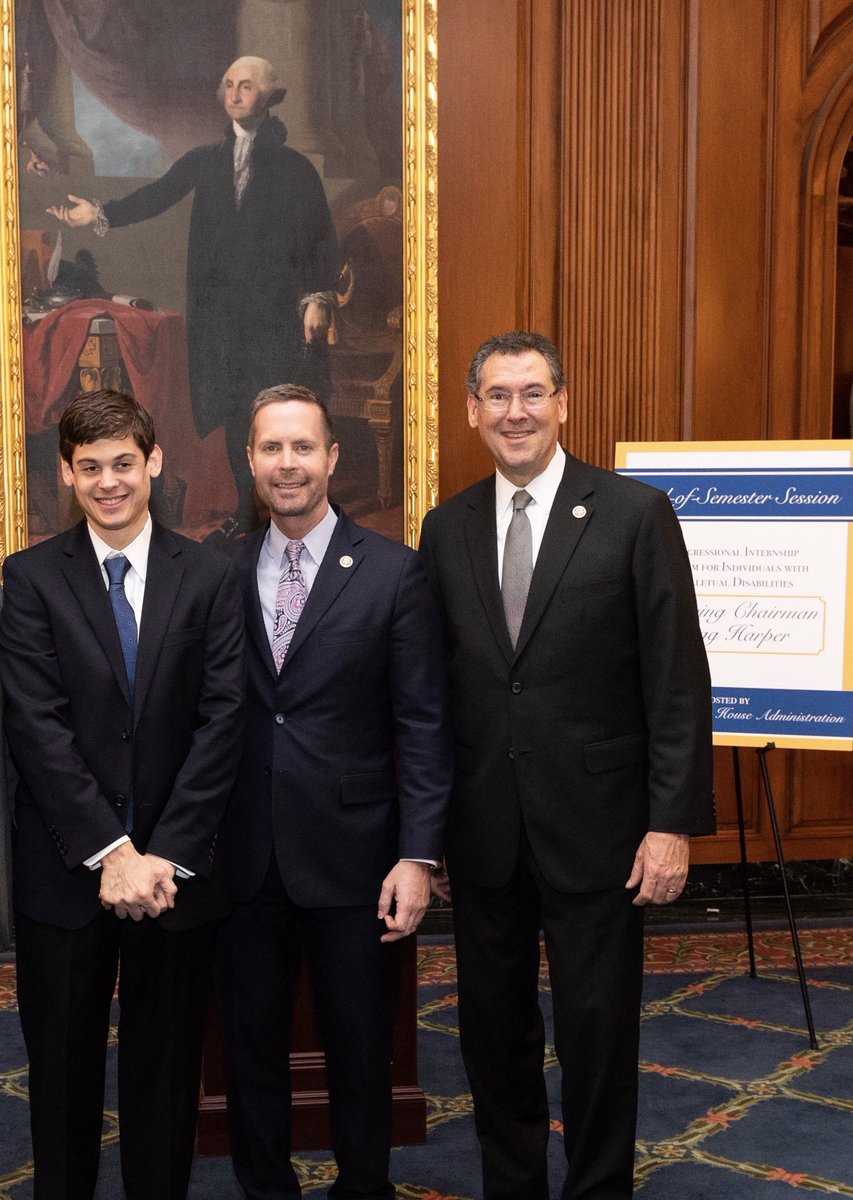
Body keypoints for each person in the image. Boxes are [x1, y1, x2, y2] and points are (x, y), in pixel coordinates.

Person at [418, 331, 716, 1200]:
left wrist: (670, 826)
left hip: (602, 831)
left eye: (533, 393)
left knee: (595, 1033)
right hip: (483, 836)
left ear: (563, 404)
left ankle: (596, 1190)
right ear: (473, 411)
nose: (516, 412)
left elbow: (675, 681)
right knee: (492, 1035)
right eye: (498, 396)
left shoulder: (631, 513)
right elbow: (435, 696)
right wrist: (428, 832)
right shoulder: (447, 527)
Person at [0, 389, 245, 1199]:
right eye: (90, 468)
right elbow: (37, 729)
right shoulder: (29, 579)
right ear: (67, 474)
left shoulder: (209, 575)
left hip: (175, 876)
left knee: (164, 1073)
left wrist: (161, 854)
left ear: (155, 463)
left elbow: (223, 721)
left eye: (124, 465)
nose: (109, 482)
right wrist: (112, 851)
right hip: (67, 872)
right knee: (61, 1075)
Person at [216, 383, 452, 1200]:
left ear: (332, 457)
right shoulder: (219, 567)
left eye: (303, 447)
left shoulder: (393, 572)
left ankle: (364, 1189)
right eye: (271, 448)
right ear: (249, 459)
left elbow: (423, 722)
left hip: (358, 860)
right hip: (241, 858)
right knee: (250, 1049)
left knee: (360, 1050)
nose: (288, 464)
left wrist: (418, 856)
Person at [47, 56, 338, 531]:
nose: (235, 93)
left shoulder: (294, 168)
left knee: (271, 414)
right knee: (230, 411)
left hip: (273, 319)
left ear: (268, 95)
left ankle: (287, 513)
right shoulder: (206, 160)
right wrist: (98, 213)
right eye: (228, 85)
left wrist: (317, 299)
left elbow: (319, 238)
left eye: (246, 85)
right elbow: (157, 195)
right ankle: (246, 514)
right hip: (221, 319)